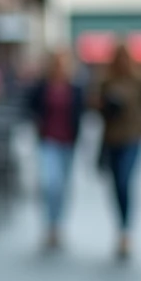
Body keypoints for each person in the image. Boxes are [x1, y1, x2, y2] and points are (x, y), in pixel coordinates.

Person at [94, 44, 141, 259]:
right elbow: (94, 105)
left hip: (133, 139)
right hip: (112, 139)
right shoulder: (106, 81)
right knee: (116, 185)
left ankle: (126, 231)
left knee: (125, 181)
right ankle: (121, 226)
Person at [26, 50, 85, 250]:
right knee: (50, 184)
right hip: (47, 141)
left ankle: (58, 224)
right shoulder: (42, 86)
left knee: (63, 187)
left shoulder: (75, 88)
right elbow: (30, 106)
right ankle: (50, 223)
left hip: (68, 142)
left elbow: (81, 111)